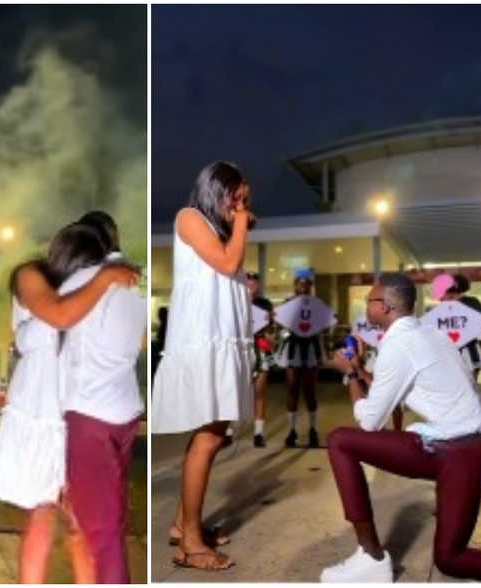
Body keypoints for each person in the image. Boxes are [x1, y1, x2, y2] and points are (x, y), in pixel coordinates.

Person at [322, 274, 481, 582]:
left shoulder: (398, 345)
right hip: (464, 446)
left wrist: (348, 376)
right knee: (451, 558)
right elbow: (392, 395)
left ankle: (372, 558)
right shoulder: (428, 334)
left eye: (368, 301)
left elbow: (371, 421)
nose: (364, 306)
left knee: (340, 441)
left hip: (456, 455)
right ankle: (369, 555)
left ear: (384, 307)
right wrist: (360, 370)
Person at [0, 222, 139, 583]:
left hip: (77, 404)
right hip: (40, 407)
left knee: (82, 522)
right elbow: (58, 315)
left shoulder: (82, 285)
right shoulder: (30, 275)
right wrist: (104, 280)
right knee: (42, 514)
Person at [152, 161, 253, 571]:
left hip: (222, 340)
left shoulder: (218, 228)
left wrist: (238, 222)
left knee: (214, 432)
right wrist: (243, 219)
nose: (240, 203)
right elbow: (227, 265)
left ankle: (183, 525)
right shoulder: (190, 217)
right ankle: (190, 543)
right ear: (217, 190)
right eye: (235, 195)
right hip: (203, 341)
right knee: (210, 436)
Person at [276, 268, 326, 447]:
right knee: (292, 390)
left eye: (306, 283)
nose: (303, 286)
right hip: (292, 349)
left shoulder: (317, 304)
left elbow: (323, 326)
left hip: (310, 348)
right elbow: (279, 326)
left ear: (311, 285)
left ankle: (313, 429)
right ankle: (292, 431)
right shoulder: (287, 303)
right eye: (300, 282)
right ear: (295, 284)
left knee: (310, 391)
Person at [247, 272, 275, 448]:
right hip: (240, 349)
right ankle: (229, 429)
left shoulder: (265, 304)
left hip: (260, 347)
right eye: (248, 283)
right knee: (234, 391)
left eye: (254, 283)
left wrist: (270, 326)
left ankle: (258, 432)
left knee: (259, 391)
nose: (251, 286)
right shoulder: (234, 301)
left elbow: (271, 329)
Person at [447, 274, 481, 380]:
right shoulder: (472, 302)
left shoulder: (469, 303)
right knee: (470, 383)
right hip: (467, 350)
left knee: (465, 383)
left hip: (467, 350)